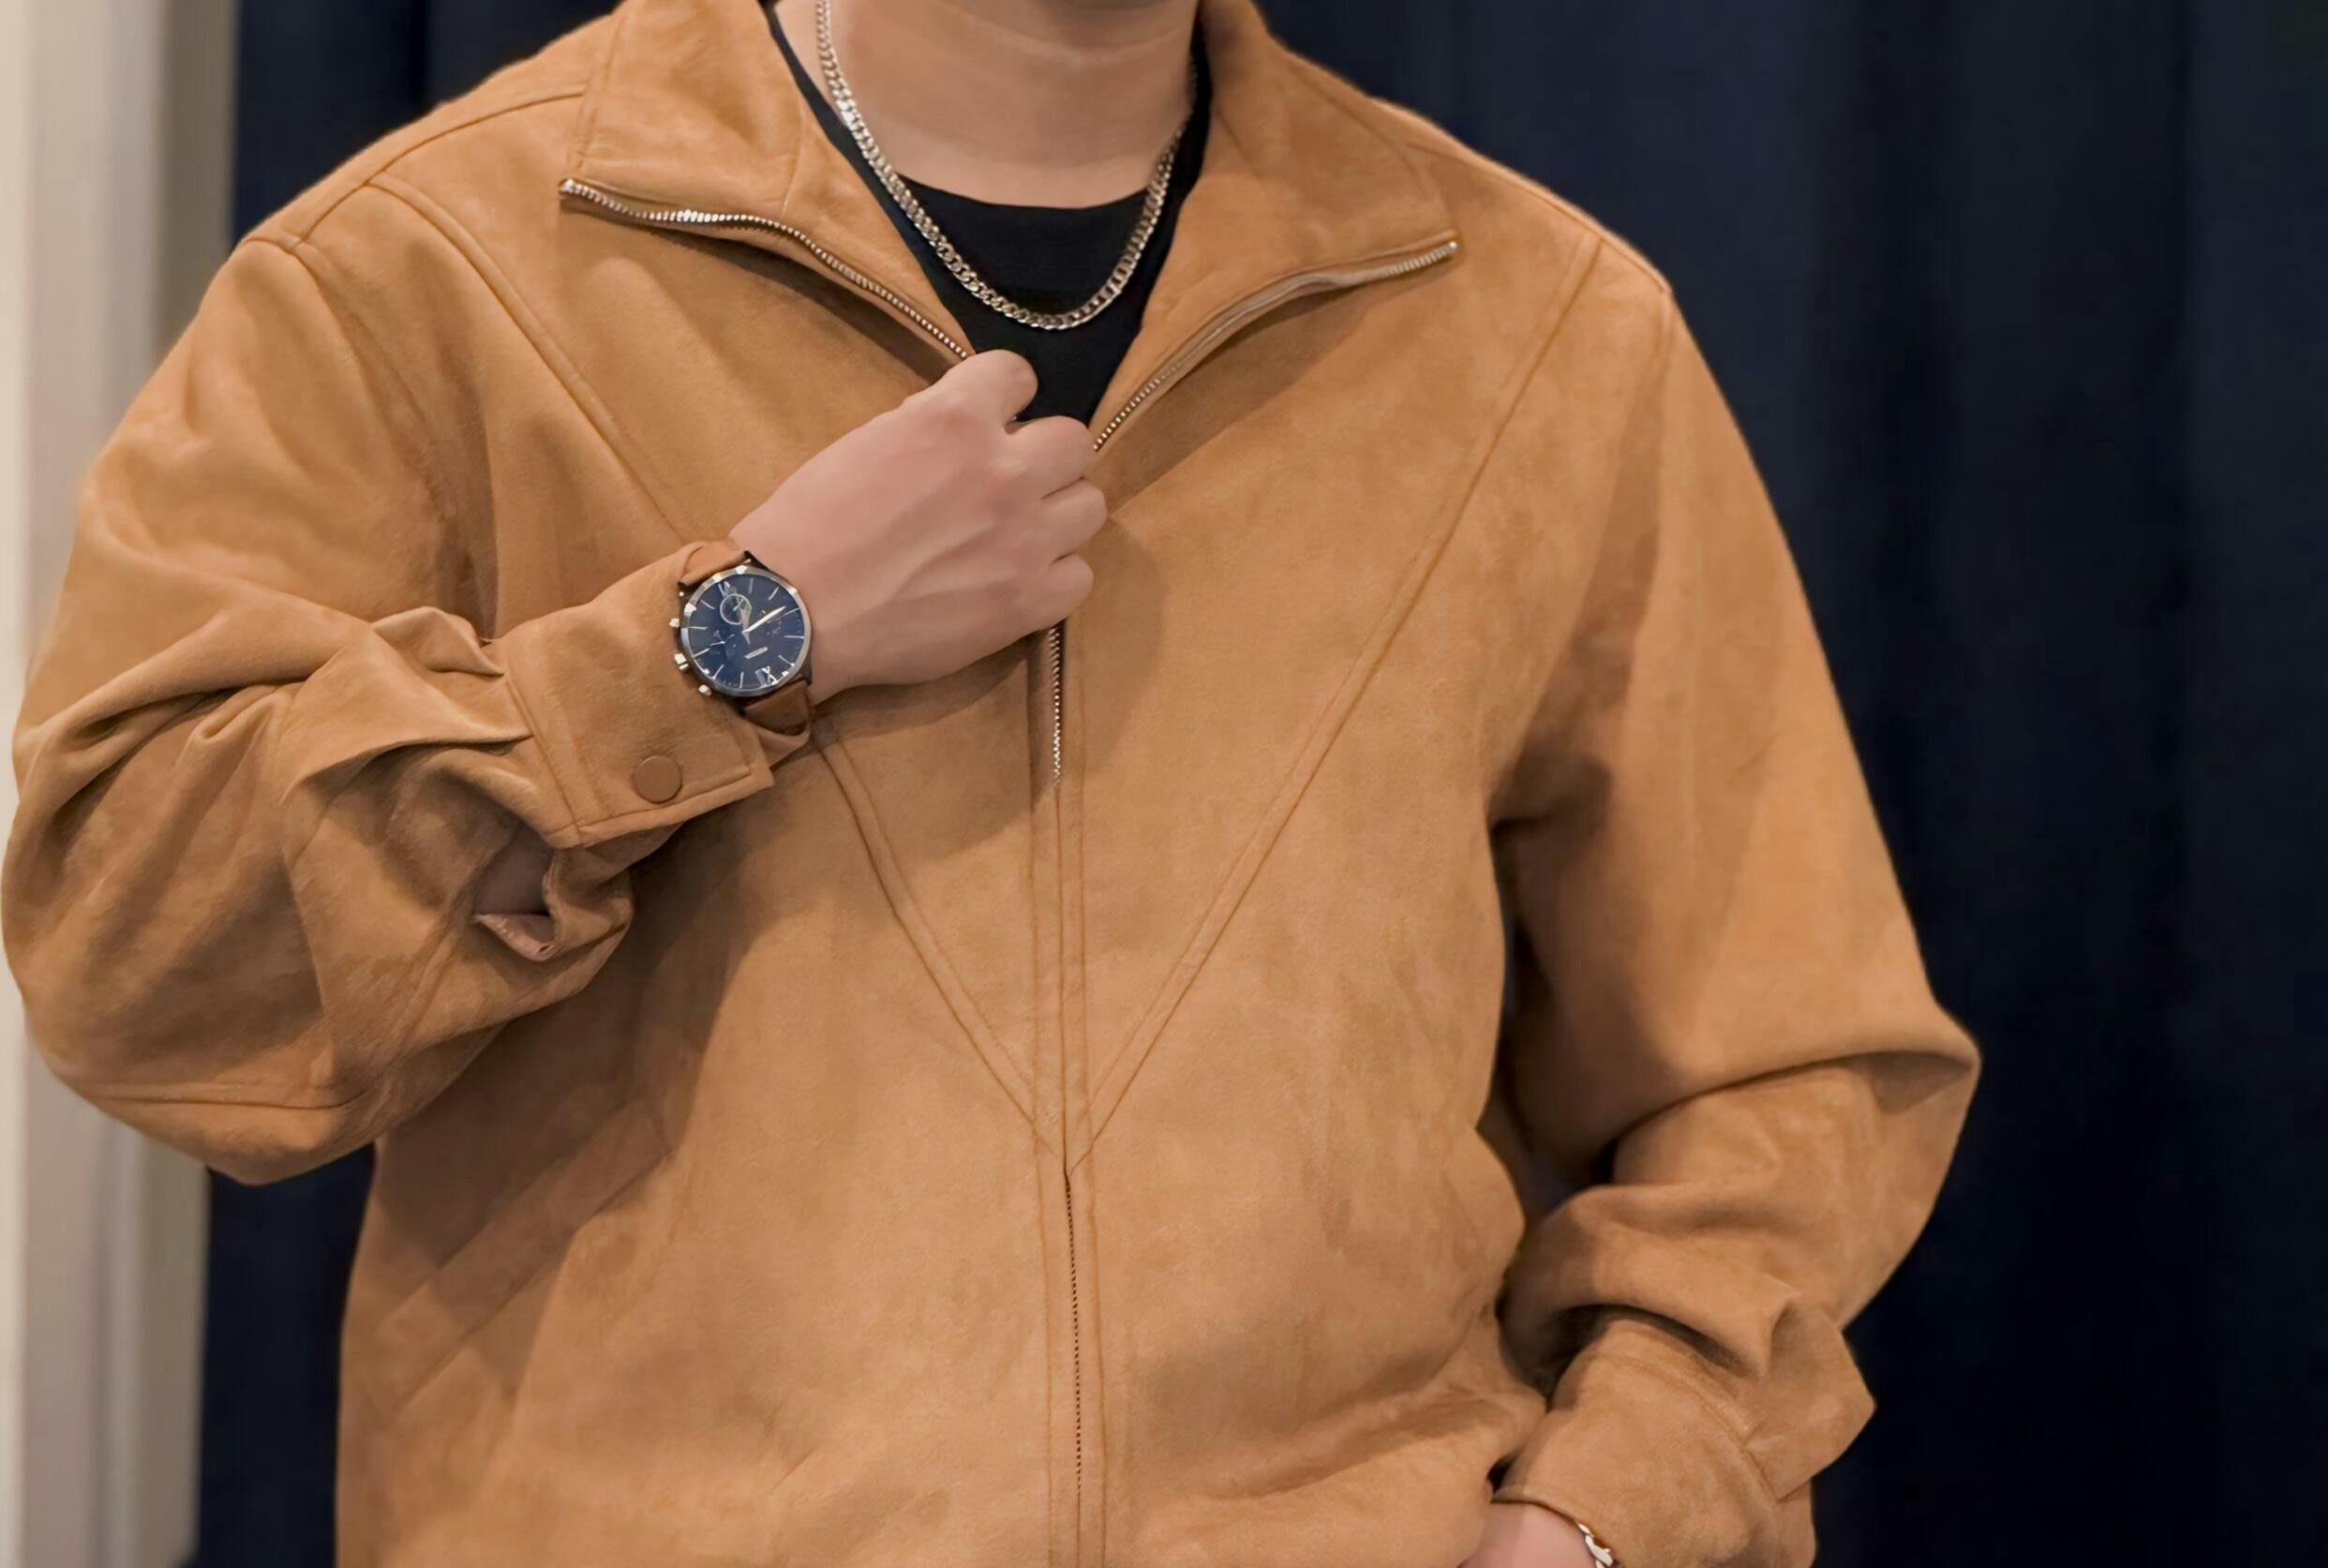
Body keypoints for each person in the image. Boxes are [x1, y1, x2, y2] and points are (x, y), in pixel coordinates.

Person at [2, 0, 1978, 1562]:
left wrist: (1608, 1514)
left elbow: (1791, 1065)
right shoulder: (429, 268)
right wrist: (735, 637)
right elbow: (135, 957)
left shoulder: (1539, 329)